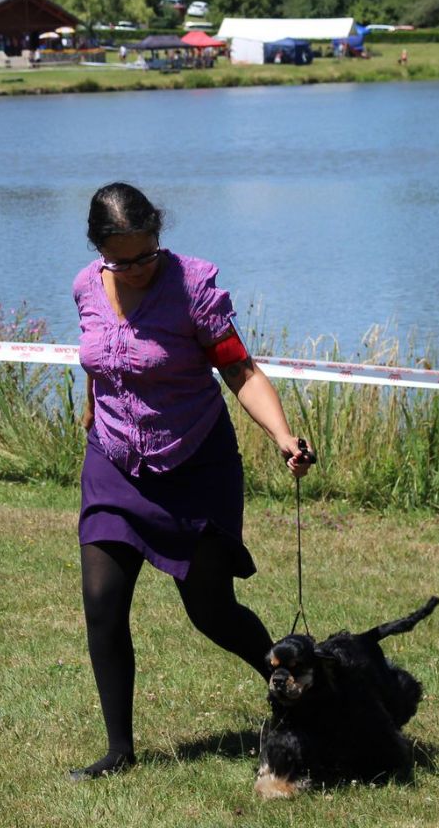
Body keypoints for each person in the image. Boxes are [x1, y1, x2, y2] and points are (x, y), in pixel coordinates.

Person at [70, 182, 313, 781]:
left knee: (211, 610)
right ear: (99, 250)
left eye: (146, 254)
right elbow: (99, 358)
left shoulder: (193, 288)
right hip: (113, 462)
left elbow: (240, 369)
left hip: (194, 462)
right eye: (122, 260)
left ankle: (302, 693)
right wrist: (94, 405)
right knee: (102, 603)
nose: (136, 268)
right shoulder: (84, 286)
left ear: (159, 235)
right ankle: (119, 750)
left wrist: (283, 435)